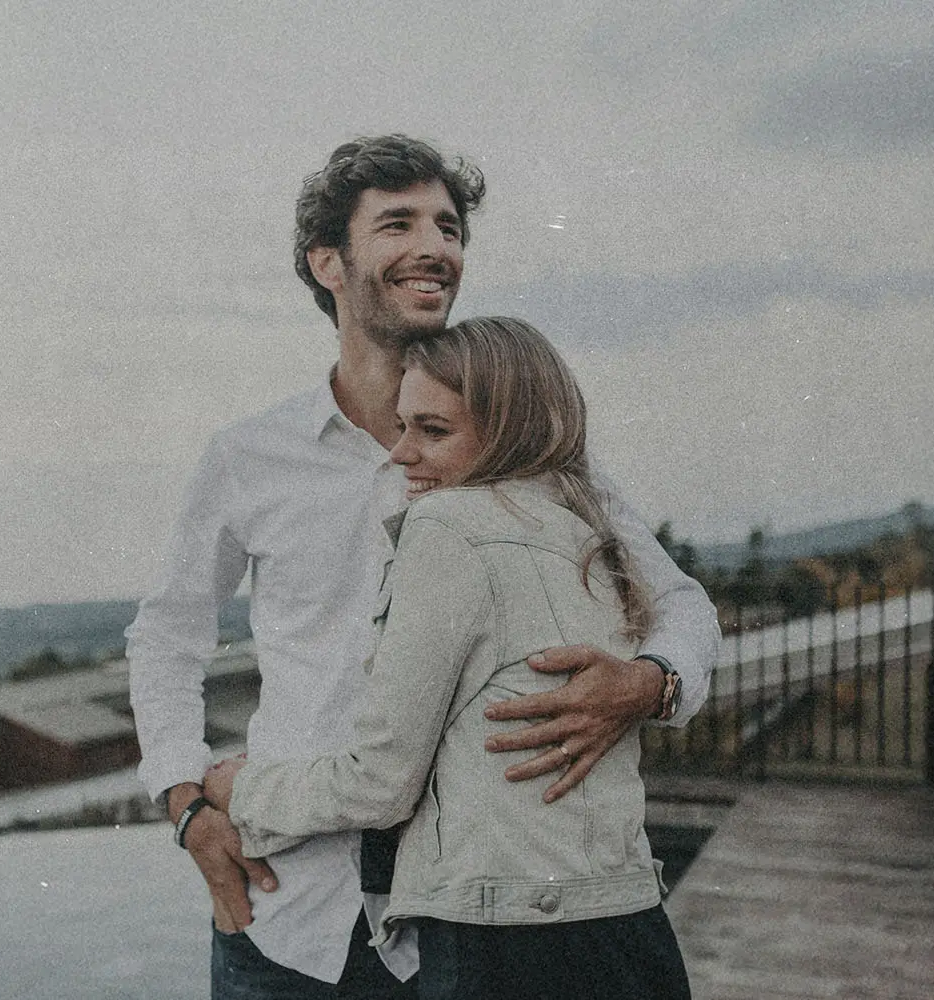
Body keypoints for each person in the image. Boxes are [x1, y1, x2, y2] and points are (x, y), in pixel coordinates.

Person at [126, 135, 719, 998]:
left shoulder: (535, 460)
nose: (435, 246)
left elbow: (683, 605)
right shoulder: (248, 458)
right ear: (327, 262)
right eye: (398, 224)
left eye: (448, 226)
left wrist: (651, 683)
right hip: (290, 915)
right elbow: (167, 637)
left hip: (473, 933)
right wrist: (185, 806)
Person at [204, 316, 692, 1000]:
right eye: (404, 426)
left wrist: (240, 790)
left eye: (433, 431)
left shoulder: (446, 528)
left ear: (512, 430)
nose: (401, 454)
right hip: (630, 927)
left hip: (506, 946)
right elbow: (685, 606)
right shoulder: (591, 530)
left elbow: (380, 783)